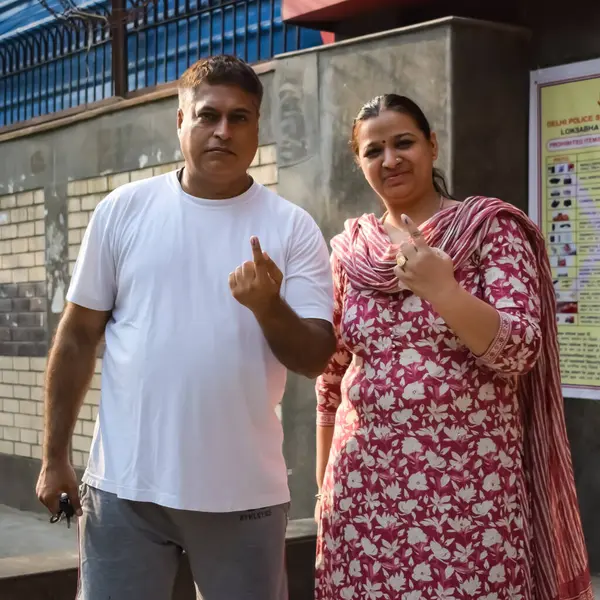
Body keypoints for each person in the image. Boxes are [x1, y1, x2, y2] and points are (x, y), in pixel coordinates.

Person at [35, 54, 336, 600]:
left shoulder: (291, 227)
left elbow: (316, 356)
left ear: (257, 127)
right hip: (125, 490)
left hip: (243, 494)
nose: (223, 130)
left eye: (240, 117)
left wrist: (268, 307)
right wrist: (54, 456)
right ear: (180, 121)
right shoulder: (123, 211)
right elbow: (77, 336)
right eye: (208, 115)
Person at [314, 94, 593, 600]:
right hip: (364, 486)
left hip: (469, 486)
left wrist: (444, 290)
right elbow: (332, 374)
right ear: (359, 163)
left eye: (404, 143)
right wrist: (323, 484)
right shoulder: (352, 250)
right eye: (373, 151)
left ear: (433, 145)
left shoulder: (488, 230)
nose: (391, 160)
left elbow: (521, 350)